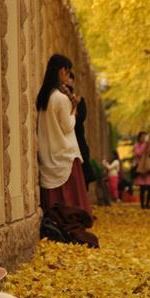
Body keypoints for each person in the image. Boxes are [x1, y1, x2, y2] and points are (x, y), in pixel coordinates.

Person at [36, 54, 92, 215]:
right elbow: (68, 127)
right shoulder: (61, 98)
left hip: (48, 155)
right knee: (71, 205)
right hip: (65, 155)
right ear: (62, 71)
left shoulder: (44, 97)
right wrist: (74, 110)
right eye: (67, 73)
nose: (68, 77)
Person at [66, 71, 97, 191]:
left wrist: (76, 105)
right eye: (67, 78)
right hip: (66, 139)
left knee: (84, 168)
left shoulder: (79, 99)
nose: (68, 81)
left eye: (70, 79)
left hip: (78, 138)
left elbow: (81, 118)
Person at [133, 132, 150, 208]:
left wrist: (149, 144)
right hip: (141, 168)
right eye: (142, 137)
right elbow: (138, 153)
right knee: (142, 188)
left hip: (148, 167)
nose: (143, 138)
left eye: (145, 137)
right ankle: (142, 205)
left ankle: (147, 203)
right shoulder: (137, 145)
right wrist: (144, 145)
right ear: (139, 138)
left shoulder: (148, 145)